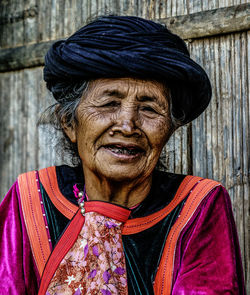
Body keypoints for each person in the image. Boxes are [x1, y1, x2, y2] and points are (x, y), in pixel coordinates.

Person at [0, 16, 245, 295]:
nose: (127, 125)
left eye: (150, 109)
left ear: (170, 128)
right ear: (69, 123)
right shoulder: (32, 199)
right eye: (109, 103)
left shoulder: (197, 206)